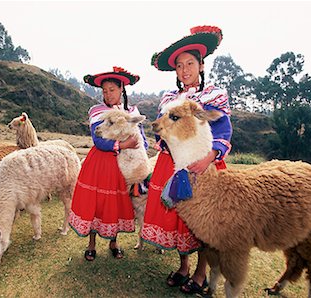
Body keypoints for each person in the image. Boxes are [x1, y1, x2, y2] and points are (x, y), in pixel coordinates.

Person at [141, 25, 232, 295]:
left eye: (190, 63)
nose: (185, 70)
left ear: (201, 65)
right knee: (179, 220)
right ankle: (183, 266)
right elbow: (162, 133)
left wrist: (209, 158)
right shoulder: (170, 101)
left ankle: (201, 272)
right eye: (179, 66)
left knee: (203, 220)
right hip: (172, 165)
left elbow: (223, 129)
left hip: (203, 166)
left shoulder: (212, 96)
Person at [69, 66, 148, 261]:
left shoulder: (131, 111)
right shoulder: (98, 111)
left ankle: (114, 243)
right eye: (104, 91)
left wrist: (140, 148)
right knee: (97, 204)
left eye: (112, 89)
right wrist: (123, 144)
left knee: (115, 204)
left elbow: (141, 137)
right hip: (101, 164)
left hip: (123, 167)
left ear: (121, 89)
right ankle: (91, 244)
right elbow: (99, 140)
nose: (108, 94)